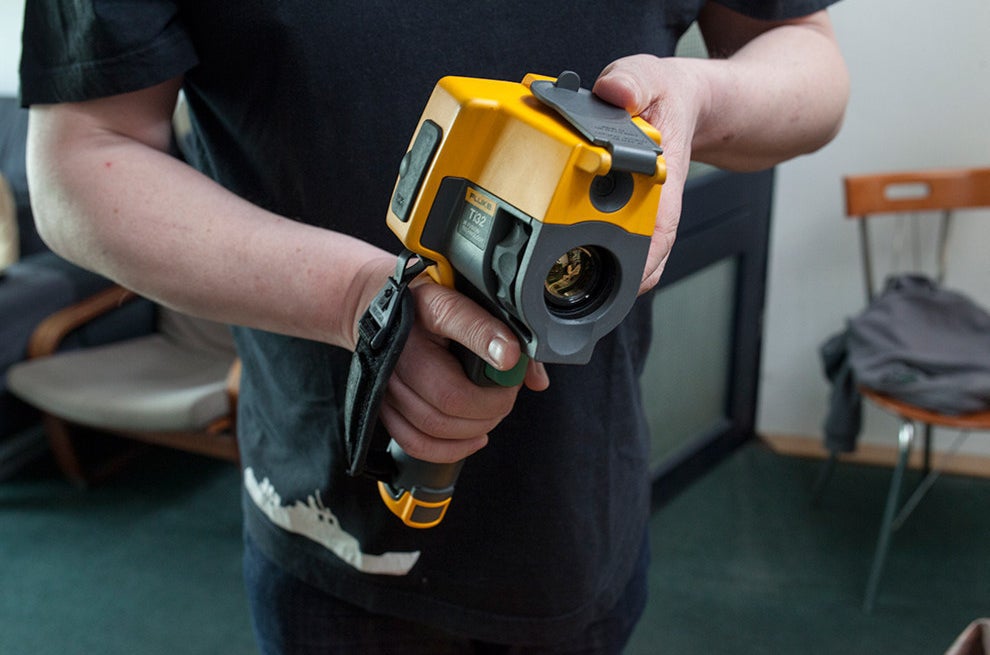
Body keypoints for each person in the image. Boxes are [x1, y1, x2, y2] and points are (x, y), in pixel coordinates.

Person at [19, 1, 848, 652]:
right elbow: (79, 156)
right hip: (335, 533)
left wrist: (700, 96)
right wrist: (357, 299)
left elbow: (812, 68)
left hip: (584, 514)